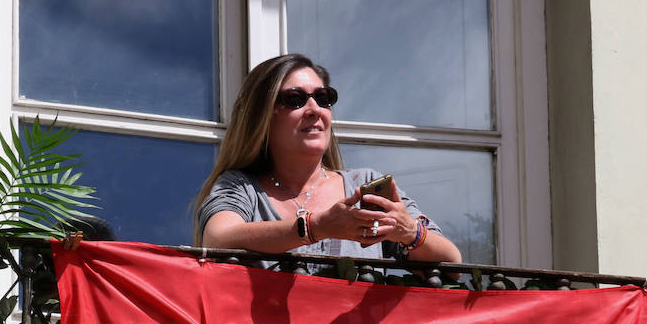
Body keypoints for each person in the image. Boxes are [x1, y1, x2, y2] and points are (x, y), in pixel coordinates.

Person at [194, 54, 462, 264]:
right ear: (262, 115)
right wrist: (316, 227)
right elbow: (218, 239)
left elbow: (451, 259)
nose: (315, 110)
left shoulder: (364, 183)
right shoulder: (240, 187)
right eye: (296, 99)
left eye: (323, 98)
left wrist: (409, 232)